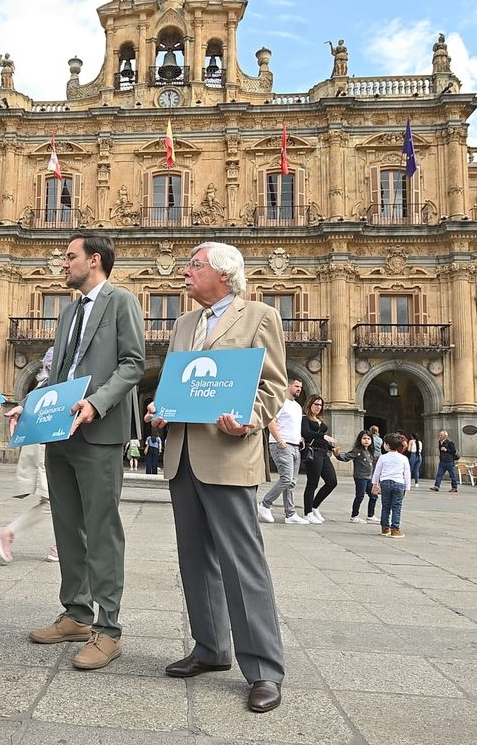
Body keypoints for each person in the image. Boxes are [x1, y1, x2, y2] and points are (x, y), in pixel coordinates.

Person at [146, 241, 287, 714]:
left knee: (241, 564)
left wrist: (249, 417)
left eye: (194, 265)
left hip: (228, 454)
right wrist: (161, 409)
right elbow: (176, 381)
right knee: (194, 559)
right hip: (182, 454)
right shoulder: (184, 323)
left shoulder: (259, 316)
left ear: (224, 275)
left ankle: (264, 669)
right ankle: (210, 648)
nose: (184, 272)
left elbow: (272, 385)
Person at [7, 233, 145, 671]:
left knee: (101, 527)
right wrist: (29, 406)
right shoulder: (68, 312)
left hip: (100, 431)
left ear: (95, 260)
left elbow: (133, 363)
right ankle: (77, 613)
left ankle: (109, 629)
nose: (62, 263)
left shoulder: (121, 302)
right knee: (67, 525)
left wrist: (97, 402)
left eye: (70, 257)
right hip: (61, 433)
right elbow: (59, 372)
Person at [0, 347, 57, 564]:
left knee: (58, 498)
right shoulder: (49, 384)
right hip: (46, 447)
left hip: (47, 445)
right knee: (53, 499)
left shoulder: (45, 384)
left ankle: (61, 546)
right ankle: (8, 533)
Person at [259, 376, 307, 524]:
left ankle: (290, 514)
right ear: (288, 386)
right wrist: (279, 440)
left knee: (292, 481)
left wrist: (299, 438)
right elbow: (270, 421)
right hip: (281, 445)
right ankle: (264, 504)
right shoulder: (280, 403)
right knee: (286, 478)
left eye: (300, 387)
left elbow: (292, 425)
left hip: (294, 445)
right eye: (296, 386)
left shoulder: (297, 407)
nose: (299, 389)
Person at [301, 395, 338, 522]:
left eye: (320, 405)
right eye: (316, 404)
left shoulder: (319, 420)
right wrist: (323, 436)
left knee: (332, 481)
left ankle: (314, 506)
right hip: (313, 452)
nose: (318, 407)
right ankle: (308, 512)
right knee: (312, 483)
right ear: (309, 404)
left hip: (323, 452)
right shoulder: (305, 419)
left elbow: (321, 439)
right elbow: (306, 433)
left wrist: (332, 448)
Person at [372, 433, 412, 537]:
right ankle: (395, 529)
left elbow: (377, 471)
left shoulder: (382, 457)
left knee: (386, 506)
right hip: (399, 483)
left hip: (385, 482)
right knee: (397, 507)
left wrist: (375, 483)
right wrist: (407, 488)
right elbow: (407, 474)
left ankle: (385, 528)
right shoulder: (403, 458)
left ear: (387, 445)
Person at [335, 430, 377, 523]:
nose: (366, 440)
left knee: (373, 496)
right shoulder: (357, 451)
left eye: (369, 439)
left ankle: (371, 515)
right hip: (360, 477)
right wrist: (338, 455)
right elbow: (346, 456)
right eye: (364, 438)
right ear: (360, 439)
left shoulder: (370, 451)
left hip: (369, 477)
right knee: (360, 496)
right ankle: (354, 516)